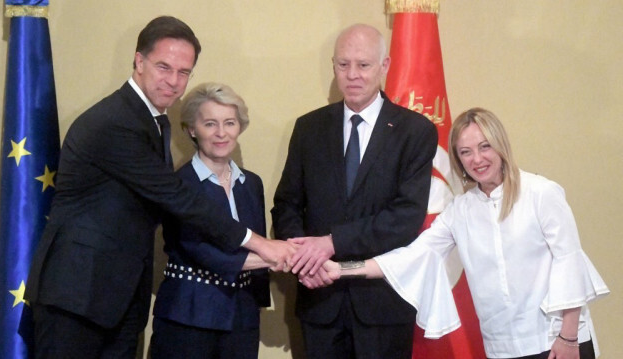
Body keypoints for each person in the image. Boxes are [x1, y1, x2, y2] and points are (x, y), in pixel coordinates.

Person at [24, 16, 292, 359]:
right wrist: (262, 245)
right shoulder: (114, 121)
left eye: (184, 72)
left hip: (116, 300)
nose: (174, 81)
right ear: (139, 61)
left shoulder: (153, 120)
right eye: (164, 67)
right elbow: (177, 197)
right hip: (77, 298)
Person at [318, 108, 610, 359]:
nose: (477, 159)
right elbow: (412, 257)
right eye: (465, 152)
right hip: (503, 347)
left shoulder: (541, 193)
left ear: (500, 146)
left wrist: (569, 337)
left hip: (557, 340)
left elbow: (569, 262)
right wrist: (340, 270)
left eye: (485, 147)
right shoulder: (461, 210)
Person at [271, 24, 438, 358]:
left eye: (363, 65)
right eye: (343, 64)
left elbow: (405, 218)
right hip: (319, 301)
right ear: (333, 66)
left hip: (383, 306)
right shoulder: (308, 128)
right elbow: (286, 205)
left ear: (384, 65)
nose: (353, 75)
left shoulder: (415, 131)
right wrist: (307, 261)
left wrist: (331, 243)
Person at [149, 83, 271, 359]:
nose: (221, 133)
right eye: (210, 124)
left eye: (229, 123)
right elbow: (204, 253)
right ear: (192, 129)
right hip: (188, 317)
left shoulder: (251, 184)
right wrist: (282, 256)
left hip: (242, 319)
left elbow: (257, 243)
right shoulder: (178, 185)